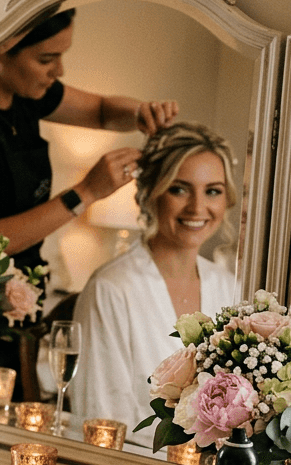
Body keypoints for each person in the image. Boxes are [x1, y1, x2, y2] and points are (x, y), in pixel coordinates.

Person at [70, 122, 240, 447]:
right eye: (179, 188)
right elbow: (103, 418)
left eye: (213, 191)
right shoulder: (112, 288)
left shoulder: (229, 287)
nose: (197, 207)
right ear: (152, 194)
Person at [0, 7, 180, 272]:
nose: (59, 70)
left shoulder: (28, 97)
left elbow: (101, 112)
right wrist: (88, 191)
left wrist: (141, 112)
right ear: (0, 52)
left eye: (61, 56)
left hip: (30, 279)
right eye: (46, 59)